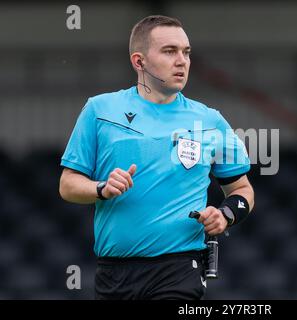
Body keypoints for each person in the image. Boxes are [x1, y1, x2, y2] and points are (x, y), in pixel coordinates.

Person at [59, 15, 255, 300]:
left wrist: (225, 214)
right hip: (113, 273)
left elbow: (242, 190)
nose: (182, 60)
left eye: (186, 52)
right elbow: (67, 185)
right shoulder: (99, 110)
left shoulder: (210, 121)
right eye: (169, 51)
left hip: (179, 269)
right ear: (139, 62)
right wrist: (101, 188)